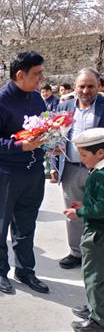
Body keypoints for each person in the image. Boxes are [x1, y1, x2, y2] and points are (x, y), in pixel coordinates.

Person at [0, 51, 49, 294]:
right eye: (37, 74)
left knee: (26, 225)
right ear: (20, 75)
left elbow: (41, 129)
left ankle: (25, 270)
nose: (41, 78)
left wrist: (51, 141)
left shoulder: (37, 100)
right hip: (1, 174)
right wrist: (18, 146)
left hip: (31, 173)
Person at [55, 68, 104, 269]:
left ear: (99, 87)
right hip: (71, 169)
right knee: (74, 212)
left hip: (99, 171)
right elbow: (56, 136)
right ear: (75, 87)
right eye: (81, 86)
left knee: (98, 212)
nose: (85, 90)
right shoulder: (65, 107)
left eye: (90, 86)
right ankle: (76, 252)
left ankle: (97, 253)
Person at [63, 128, 104, 332]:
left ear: (100, 153)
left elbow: (101, 208)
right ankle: (95, 308)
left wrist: (79, 213)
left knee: (94, 275)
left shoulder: (100, 175)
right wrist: (84, 204)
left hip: (97, 234)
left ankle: (98, 321)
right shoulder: (98, 170)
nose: (81, 160)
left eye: (84, 155)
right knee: (95, 275)